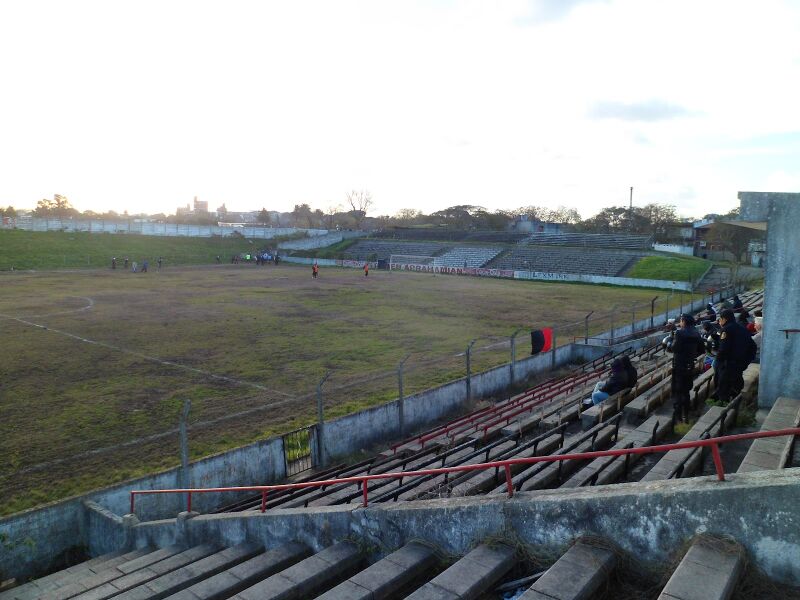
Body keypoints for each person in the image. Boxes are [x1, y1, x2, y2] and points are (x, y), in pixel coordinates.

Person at [665, 313, 705, 423]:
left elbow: (675, 348)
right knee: (686, 391)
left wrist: (670, 342)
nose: (680, 323)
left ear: (684, 322)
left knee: (678, 391)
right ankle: (685, 415)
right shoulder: (696, 333)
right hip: (689, 365)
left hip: (679, 366)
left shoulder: (680, 333)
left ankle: (678, 416)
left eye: (681, 321)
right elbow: (702, 349)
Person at [716, 308, 757, 403]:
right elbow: (753, 347)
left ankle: (723, 411)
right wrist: (746, 362)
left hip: (728, 365)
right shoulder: (742, 328)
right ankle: (734, 409)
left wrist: (718, 363)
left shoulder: (726, 330)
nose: (719, 321)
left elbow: (723, 349)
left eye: (720, 319)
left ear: (725, 319)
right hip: (739, 365)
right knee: (736, 388)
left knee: (724, 390)